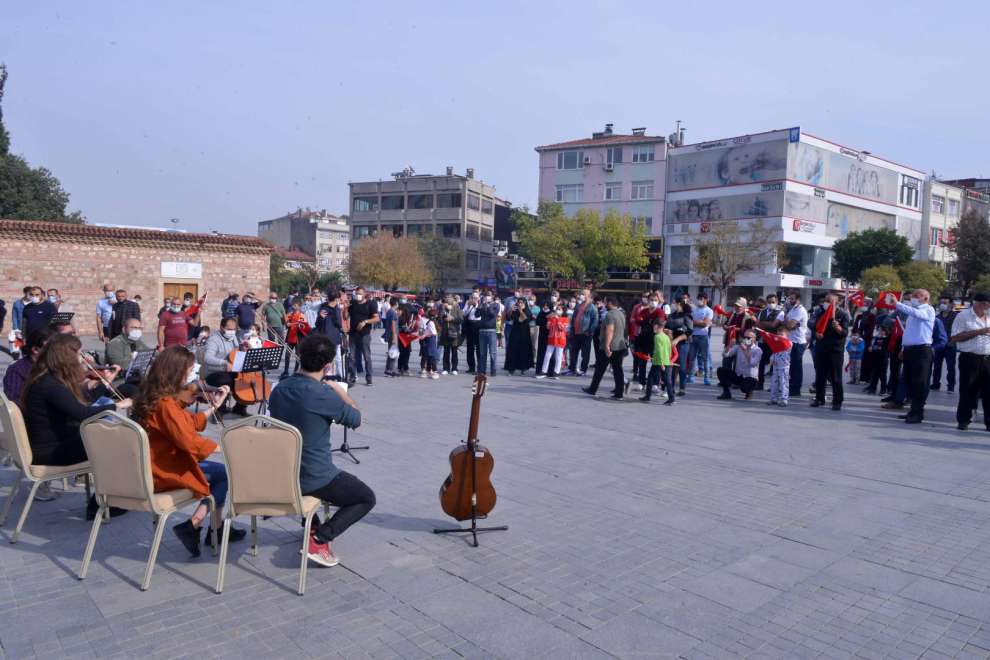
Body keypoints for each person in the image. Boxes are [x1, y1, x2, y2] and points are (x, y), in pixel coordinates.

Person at [269, 334, 375, 567]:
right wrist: (337, 389)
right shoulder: (323, 393)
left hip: (282, 474)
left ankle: (312, 524)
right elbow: (355, 418)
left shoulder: (279, 389)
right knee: (365, 498)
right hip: (313, 476)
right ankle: (319, 538)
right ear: (328, 366)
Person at [131, 346, 245, 557]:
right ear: (177, 371)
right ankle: (198, 525)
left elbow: (186, 423)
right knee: (222, 474)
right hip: (163, 469)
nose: (193, 375)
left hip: (153, 464)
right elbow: (188, 442)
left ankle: (211, 528)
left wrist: (213, 406)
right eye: (191, 370)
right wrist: (224, 448)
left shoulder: (154, 396)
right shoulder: (166, 405)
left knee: (219, 474)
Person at [20, 334, 133, 518]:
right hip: (51, 451)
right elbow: (82, 414)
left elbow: (81, 405)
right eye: (79, 354)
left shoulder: (45, 378)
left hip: (49, 444)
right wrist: (118, 405)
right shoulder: (51, 385)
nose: (83, 358)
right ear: (66, 357)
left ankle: (105, 499)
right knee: (116, 445)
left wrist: (104, 384)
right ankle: (101, 504)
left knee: (110, 438)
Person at [887, 289, 935, 424]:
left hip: (922, 350)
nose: (913, 297)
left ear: (925, 298)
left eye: (916, 295)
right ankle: (912, 410)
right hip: (910, 350)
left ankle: (917, 413)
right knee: (909, 381)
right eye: (912, 295)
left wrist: (897, 304)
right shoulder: (911, 313)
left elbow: (917, 313)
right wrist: (903, 347)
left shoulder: (928, 310)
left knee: (920, 383)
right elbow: (909, 332)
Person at [951, 292, 990, 431]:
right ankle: (964, 420)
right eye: (986, 304)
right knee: (968, 390)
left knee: (988, 392)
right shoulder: (963, 316)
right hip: (970, 358)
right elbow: (954, 338)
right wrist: (980, 331)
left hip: (988, 358)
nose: (988, 307)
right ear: (977, 303)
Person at [810, 293, 850, 411]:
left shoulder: (842, 314)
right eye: (825, 300)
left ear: (837, 302)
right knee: (820, 375)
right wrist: (816, 333)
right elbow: (813, 326)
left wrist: (838, 328)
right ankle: (819, 398)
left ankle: (837, 401)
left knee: (836, 378)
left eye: (829, 301)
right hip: (821, 348)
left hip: (835, 350)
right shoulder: (820, 312)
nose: (826, 302)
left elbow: (845, 332)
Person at [582, 297, 627, 400]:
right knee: (617, 370)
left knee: (599, 369)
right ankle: (619, 392)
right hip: (619, 346)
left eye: (606, 302)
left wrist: (607, 346)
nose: (605, 304)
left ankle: (593, 389)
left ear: (610, 303)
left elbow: (610, 330)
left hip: (610, 347)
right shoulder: (621, 314)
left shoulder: (610, 315)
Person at [202, 316, 247, 416]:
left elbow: (236, 353)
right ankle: (219, 409)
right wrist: (224, 363)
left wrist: (243, 348)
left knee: (245, 378)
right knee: (227, 380)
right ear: (222, 328)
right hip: (213, 373)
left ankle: (240, 407)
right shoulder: (214, 340)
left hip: (229, 371)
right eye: (229, 329)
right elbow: (207, 358)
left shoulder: (233, 337)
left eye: (234, 329)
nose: (232, 332)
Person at [3, 326, 55, 405]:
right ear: (35, 350)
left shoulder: (55, 366)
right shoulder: (17, 370)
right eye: (51, 348)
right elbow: (13, 401)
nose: (56, 351)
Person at [640, 318, 678, 405]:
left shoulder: (657, 337)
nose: (653, 327)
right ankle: (672, 398)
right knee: (667, 380)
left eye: (654, 326)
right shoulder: (666, 337)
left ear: (657, 326)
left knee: (651, 378)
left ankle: (648, 396)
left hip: (659, 362)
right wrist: (667, 360)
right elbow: (669, 350)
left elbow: (659, 350)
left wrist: (661, 363)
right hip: (666, 361)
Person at [716, 329, 762, 400]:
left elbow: (753, 363)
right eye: (744, 337)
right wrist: (729, 346)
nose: (746, 339)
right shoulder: (739, 347)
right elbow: (725, 355)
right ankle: (726, 393)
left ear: (754, 339)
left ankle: (749, 392)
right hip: (739, 375)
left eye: (748, 338)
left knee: (744, 387)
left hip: (750, 377)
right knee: (721, 370)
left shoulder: (757, 350)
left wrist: (745, 350)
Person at [347, 287, 379, 386]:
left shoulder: (370, 304)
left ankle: (369, 378)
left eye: (360, 293)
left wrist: (365, 322)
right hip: (353, 333)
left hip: (365, 334)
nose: (358, 295)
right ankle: (352, 376)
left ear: (364, 294)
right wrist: (345, 308)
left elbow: (376, 318)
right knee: (351, 356)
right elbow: (346, 316)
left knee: (366, 356)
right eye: (356, 293)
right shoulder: (352, 303)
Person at [779, 292, 809, 398]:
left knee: (796, 366)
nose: (790, 301)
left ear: (798, 299)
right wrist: (787, 321)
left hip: (798, 342)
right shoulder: (792, 309)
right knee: (790, 366)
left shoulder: (800, 310)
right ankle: (790, 387)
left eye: (792, 299)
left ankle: (796, 389)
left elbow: (790, 325)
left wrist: (786, 320)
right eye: (789, 298)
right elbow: (785, 323)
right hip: (790, 340)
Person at [567, 288, 599, 376]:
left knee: (585, 353)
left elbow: (595, 321)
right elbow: (574, 318)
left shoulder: (592, 307)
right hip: (576, 333)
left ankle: (583, 369)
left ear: (588, 296)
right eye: (581, 294)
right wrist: (572, 330)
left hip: (586, 334)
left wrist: (589, 331)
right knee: (573, 352)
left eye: (583, 294)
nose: (581, 295)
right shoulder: (579, 306)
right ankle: (572, 368)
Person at [666, 299, 692, 396]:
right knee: (672, 365)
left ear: (680, 304)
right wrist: (667, 331)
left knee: (681, 366)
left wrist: (677, 340)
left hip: (683, 343)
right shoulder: (672, 315)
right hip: (671, 342)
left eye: (675, 303)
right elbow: (667, 326)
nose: (673, 305)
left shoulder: (686, 315)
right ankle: (670, 387)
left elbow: (689, 331)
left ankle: (682, 388)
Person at [536, 302, 568, 379]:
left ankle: (556, 372)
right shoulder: (552, 318)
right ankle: (544, 371)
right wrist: (551, 319)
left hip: (560, 340)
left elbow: (562, 328)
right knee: (547, 355)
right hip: (551, 339)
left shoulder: (565, 319)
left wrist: (558, 319)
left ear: (563, 311)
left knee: (558, 356)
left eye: (559, 309)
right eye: (557, 309)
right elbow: (548, 326)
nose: (558, 311)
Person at [932, 296, 958, 392]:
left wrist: (952, 341)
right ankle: (935, 384)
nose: (942, 305)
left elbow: (958, 331)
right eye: (941, 303)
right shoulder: (937, 317)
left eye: (945, 302)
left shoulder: (956, 316)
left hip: (950, 345)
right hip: (939, 345)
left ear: (951, 304)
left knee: (950, 367)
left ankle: (950, 386)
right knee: (937, 366)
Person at [756, 294, 781, 389]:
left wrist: (762, 324)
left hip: (773, 341)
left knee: (774, 363)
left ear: (777, 302)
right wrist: (764, 324)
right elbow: (757, 325)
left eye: (773, 302)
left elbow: (773, 325)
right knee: (761, 362)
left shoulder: (780, 312)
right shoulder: (762, 312)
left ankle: (773, 386)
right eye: (769, 302)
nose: (771, 304)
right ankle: (760, 383)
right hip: (762, 340)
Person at [504, 298, 535, 375]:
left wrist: (521, 310)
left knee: (524, 350)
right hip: (515, 331)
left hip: (524, 333)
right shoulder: (515, 310)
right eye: (519, 303)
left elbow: (525, 319)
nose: (520, 304)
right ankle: (511, 369)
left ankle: (523, 368)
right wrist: (511, 310)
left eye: (521, 302)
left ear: (525, 303)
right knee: (512, 349)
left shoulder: (527, 310)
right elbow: (508, 318)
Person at [764, 325, 793, 407]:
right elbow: (774, 353)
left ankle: (784, 399)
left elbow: (785, 347)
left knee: (783, 383)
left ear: (787, 335)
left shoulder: (788, 343)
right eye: (778, 334)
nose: (779, 336)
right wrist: (771, 361)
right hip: (776, 366)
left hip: (784, 367)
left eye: (782, 335)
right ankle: (773, 399)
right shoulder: (776, 344)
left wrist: (779, 340)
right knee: (774, 383)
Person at [689, 293, 714, 386]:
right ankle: (691, 377)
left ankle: (706, 378)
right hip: (694, 335)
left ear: (706, 299)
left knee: (705, 358)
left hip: (703, 336)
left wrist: (698, 322)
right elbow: (690, 322)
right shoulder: (694, 310)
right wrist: (699, 322)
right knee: (692, 358)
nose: (699, 300)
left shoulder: (709, 310)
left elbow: (705, 324)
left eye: (701, 298)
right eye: (698, 298)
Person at [282, 298, 310, 377]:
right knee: (287, 354)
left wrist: (296, 324)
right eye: (293, 305)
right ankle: (286, 371)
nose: (293, 306)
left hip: (298, 337)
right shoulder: (290, 314)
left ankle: (295, 371)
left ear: (299, 306)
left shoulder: (302, 315)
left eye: (295, 305)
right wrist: (286, 321)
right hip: (290, 337)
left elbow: (304, 326)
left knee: (298, 355)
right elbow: (286, 323)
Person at [477, 291, 500, 377]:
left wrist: (488, 305)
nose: (487, 297)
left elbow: (492, 314)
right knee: (482, 353)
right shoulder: (482, 304)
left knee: (492, 352)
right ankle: (482, 370)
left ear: (492, 296)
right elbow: (477, 315)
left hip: (491, 331)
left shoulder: (496, 305)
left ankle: (493, 371)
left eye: (489, 295)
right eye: (486, 295)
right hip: (482, 331)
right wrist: (479, 305)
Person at [439, 296, 462, 375]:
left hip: (454, 332)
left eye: (450, 298)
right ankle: (445, 368)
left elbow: (461, 319)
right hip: (445, 332)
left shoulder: (457, 308)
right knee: (446, 351)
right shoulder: (443, 308)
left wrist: (452, 318)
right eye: (447, 298)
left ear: (453, 300)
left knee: (454, 351)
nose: (448, 299)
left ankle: (454, 368)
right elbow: (439, 318)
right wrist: (443, 313)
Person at [461, 293, 481, 374]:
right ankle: (471, 367)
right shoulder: (467, 304)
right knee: (470, 348)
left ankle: (480, 368)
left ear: (478, 299)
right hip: (469, 325)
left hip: (478, 325)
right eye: (472, 297)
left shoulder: (481, 305)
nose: (473, 299)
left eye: (475, 298)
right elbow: (463, 313)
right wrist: (469, 306)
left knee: (479, 348)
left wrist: (476, 305)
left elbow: (478, 315)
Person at [418, 307, 440, 379]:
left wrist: (424, 335)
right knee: (428, 355)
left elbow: (433, 333)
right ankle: (428, 370)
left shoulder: (430, 322)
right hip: (429, 341)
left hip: (431, 341)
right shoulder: (431, 322)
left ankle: (435, 371)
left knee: (432, 357)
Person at [382, 297, 399, 377]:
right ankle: (391, 370)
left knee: (390, 352)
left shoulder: (389, 311)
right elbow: (393, 325)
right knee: (393, 353)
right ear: (396, 304)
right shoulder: (393, 313)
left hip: (389, 334)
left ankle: (387, 369)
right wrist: (395, 336)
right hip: (393, 334)